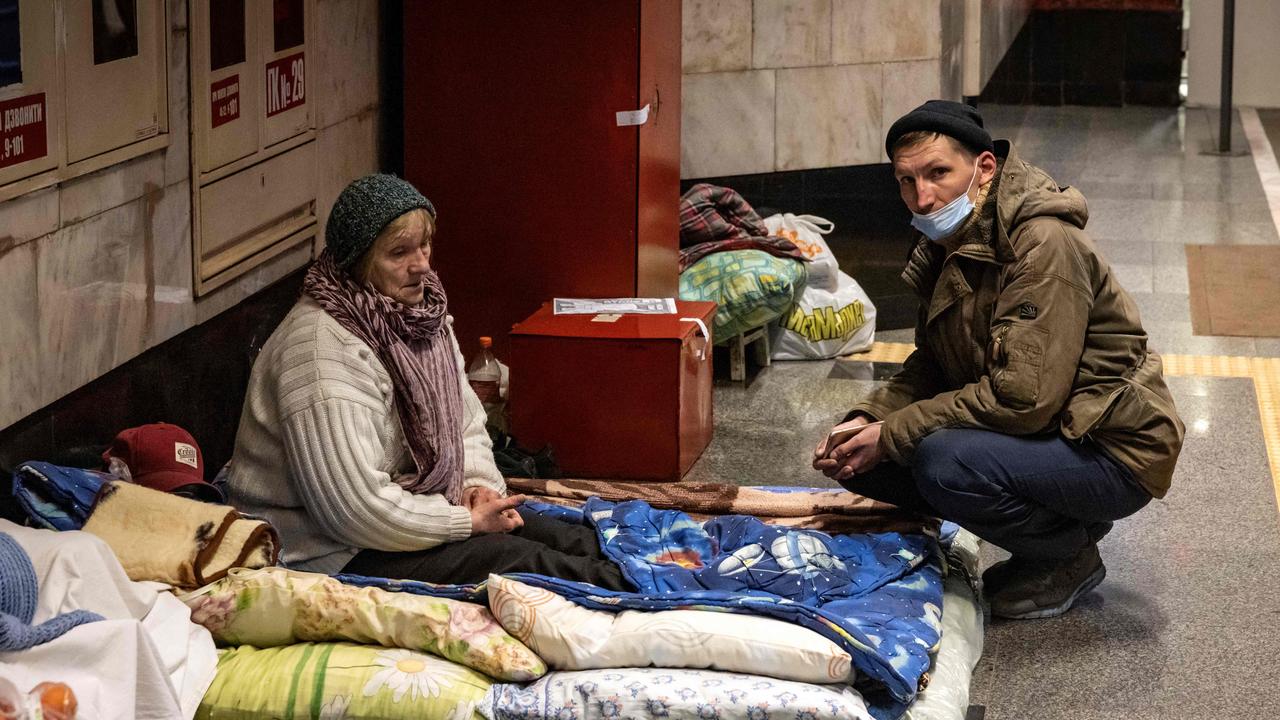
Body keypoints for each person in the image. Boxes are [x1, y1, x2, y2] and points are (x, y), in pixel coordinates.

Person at [814, 101, 1184, 620]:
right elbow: (933, 362)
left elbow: (1024, 399)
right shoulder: (949, 240)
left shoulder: (1040, 245)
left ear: (984, 168)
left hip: (1111, 448)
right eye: (907, 181)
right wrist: (868, 418)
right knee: (860, 456)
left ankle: (1069, 555)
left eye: (939, 173)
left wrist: (896, 433)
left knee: (943, 462)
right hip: (1051, 431)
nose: (923, 197)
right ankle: (1057, 526)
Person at [227, 174, 627, 590]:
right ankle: (670, 602)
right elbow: (352, 510)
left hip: (410, 506)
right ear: (358, 261)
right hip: (323, 549)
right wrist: (464, 522)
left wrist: (476, 488)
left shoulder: (418, 316)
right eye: (399, 252)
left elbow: (464, 423)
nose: (421, 265)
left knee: (566, 537)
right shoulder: (320, 350)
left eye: (425, 245)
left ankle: (661, 574)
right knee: (521, 562)